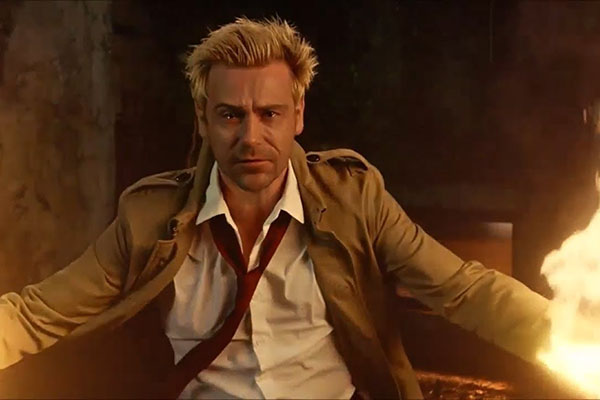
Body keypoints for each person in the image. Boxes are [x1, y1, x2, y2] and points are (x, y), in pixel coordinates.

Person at [0, 17, 551, 399]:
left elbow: (465, 289)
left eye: (269, 114)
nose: (251, 138)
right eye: (230, 116)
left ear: (298, 115)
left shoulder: (354, 201)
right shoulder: (149, 218)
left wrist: (570, 336)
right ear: (203, 120)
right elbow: (33, 314)